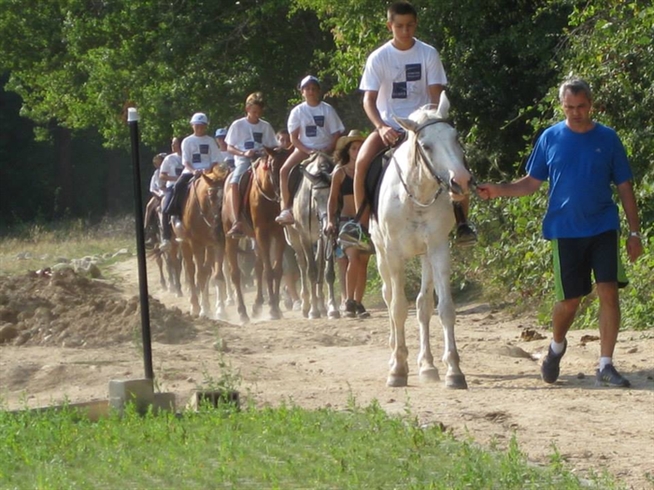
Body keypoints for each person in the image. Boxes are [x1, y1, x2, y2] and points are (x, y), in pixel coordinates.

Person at [476, 78, 644, 388]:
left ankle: (605, 364)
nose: (576, 113)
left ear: (590, 105)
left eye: (581, 107)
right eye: (570, 108)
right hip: (565, 230)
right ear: (562, 106)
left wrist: (635, 232)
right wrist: (497, 190)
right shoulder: (550, 137)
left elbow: (624, 185)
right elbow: (530, 183)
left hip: (603, 225)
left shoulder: (608, 138)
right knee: (570, 301)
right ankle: (555, 347)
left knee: (608, 290)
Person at [342, 1, 476, 249]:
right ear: (389, 25)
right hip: (390, 126)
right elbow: (368, 100)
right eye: (400, 26)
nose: (405, 31)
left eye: (410, 25)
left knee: (458, 162)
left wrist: (430, 125)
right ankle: (360, 225)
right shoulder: (378, 57)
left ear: (416, 24)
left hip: (424, 125)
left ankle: (462, 222)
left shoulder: (428, 53)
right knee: (361, 162)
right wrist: (381, 127)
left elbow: (436, 95)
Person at [275, 75, 344, 225]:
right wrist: (307, 150)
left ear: (318, 91)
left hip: (327, 148)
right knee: (284, 170)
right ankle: (286, 208)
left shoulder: (327, 109)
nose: (311, 91)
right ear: (302, 92)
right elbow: (293, 138)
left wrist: (330, 147)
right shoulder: (297, 111)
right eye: (307, 89)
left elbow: (336, 132)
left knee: (345, 168)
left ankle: (347, 207)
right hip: (304, 149)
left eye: (313, 88)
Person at [325, 130, 371, 319]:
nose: (357, 151)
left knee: (363, 263)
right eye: (354, 148)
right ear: (347, 150)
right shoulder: (340, 172)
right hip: (347, 222)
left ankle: (358, 302)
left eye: (361, 148)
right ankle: (349, 300)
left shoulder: (368, 171)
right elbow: (332, 199)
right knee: (352, 259)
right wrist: (329, 220)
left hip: (366, 221)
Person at [161, 112, 222, 251]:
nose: (200, 128)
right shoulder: (187, 141)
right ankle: (172, 221)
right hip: (191, 172)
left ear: (205, 126)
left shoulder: (210, 141)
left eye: (202, 126)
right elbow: (186, 161)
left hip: (209, 173)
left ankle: (225, 218)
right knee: (177, 188)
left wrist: (209, 170)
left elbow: (216, 159)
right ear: (192, 126)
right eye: (197, 126)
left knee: (221, 189)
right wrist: (194, 171)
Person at [225, 92, 278, 239]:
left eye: (259, 112)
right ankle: (237, 220)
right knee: (235, 181)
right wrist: (243, 153)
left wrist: (267, 151)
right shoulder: (238, 125)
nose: (256, 114)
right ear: (247, 109)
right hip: (244, 160)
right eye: (254, 111)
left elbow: (273, 145)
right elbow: (229, 147)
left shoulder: (265, 126)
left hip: (261, 159)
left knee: (274, 177)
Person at [159, 137, 184, 244]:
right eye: (172, 144)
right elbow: (162, 175)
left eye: (175, 144)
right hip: (172, 186)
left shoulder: (189, 156)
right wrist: (175, 178)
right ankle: (166, 237)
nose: (172, 146)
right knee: (165, 208)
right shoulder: (169, 159)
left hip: (188, 184)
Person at [143, 152, 166, 243]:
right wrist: (158, 196)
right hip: (158, 194)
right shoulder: (156, 173)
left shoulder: (170, 170)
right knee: (149, 207)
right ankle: (147, 229)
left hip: (166, 192)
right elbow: (152, 188)